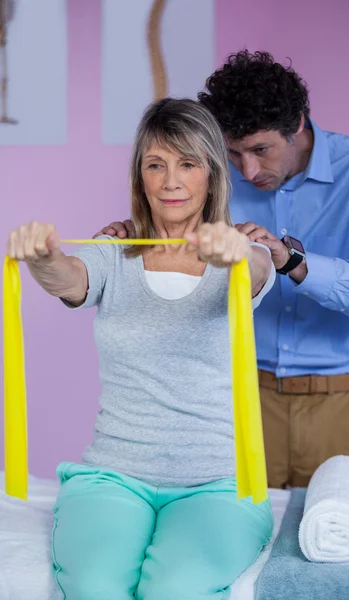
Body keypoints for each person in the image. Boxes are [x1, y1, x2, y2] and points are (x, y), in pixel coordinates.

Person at [6, 98, 275, 600]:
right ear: (141, 177)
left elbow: (258, 271)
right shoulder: (114, 252)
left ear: (212, 175)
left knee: (176, 590)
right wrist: (43, 258)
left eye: (187, 164)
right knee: (93, 586)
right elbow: (70, 280)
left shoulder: (244, 254)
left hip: (217, 484)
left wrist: (237, 254)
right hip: (113, 476)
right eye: (156, 165)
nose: (171, 181)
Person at [98, 51, 349, 492]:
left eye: (261, 150)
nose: (249, 171)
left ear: (297, 124)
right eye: (234, 153)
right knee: (242, 547)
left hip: (342, 407)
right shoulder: (216, 175)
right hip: (235, 402)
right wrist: (136, 231)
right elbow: (176, 242)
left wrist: (294, 263)